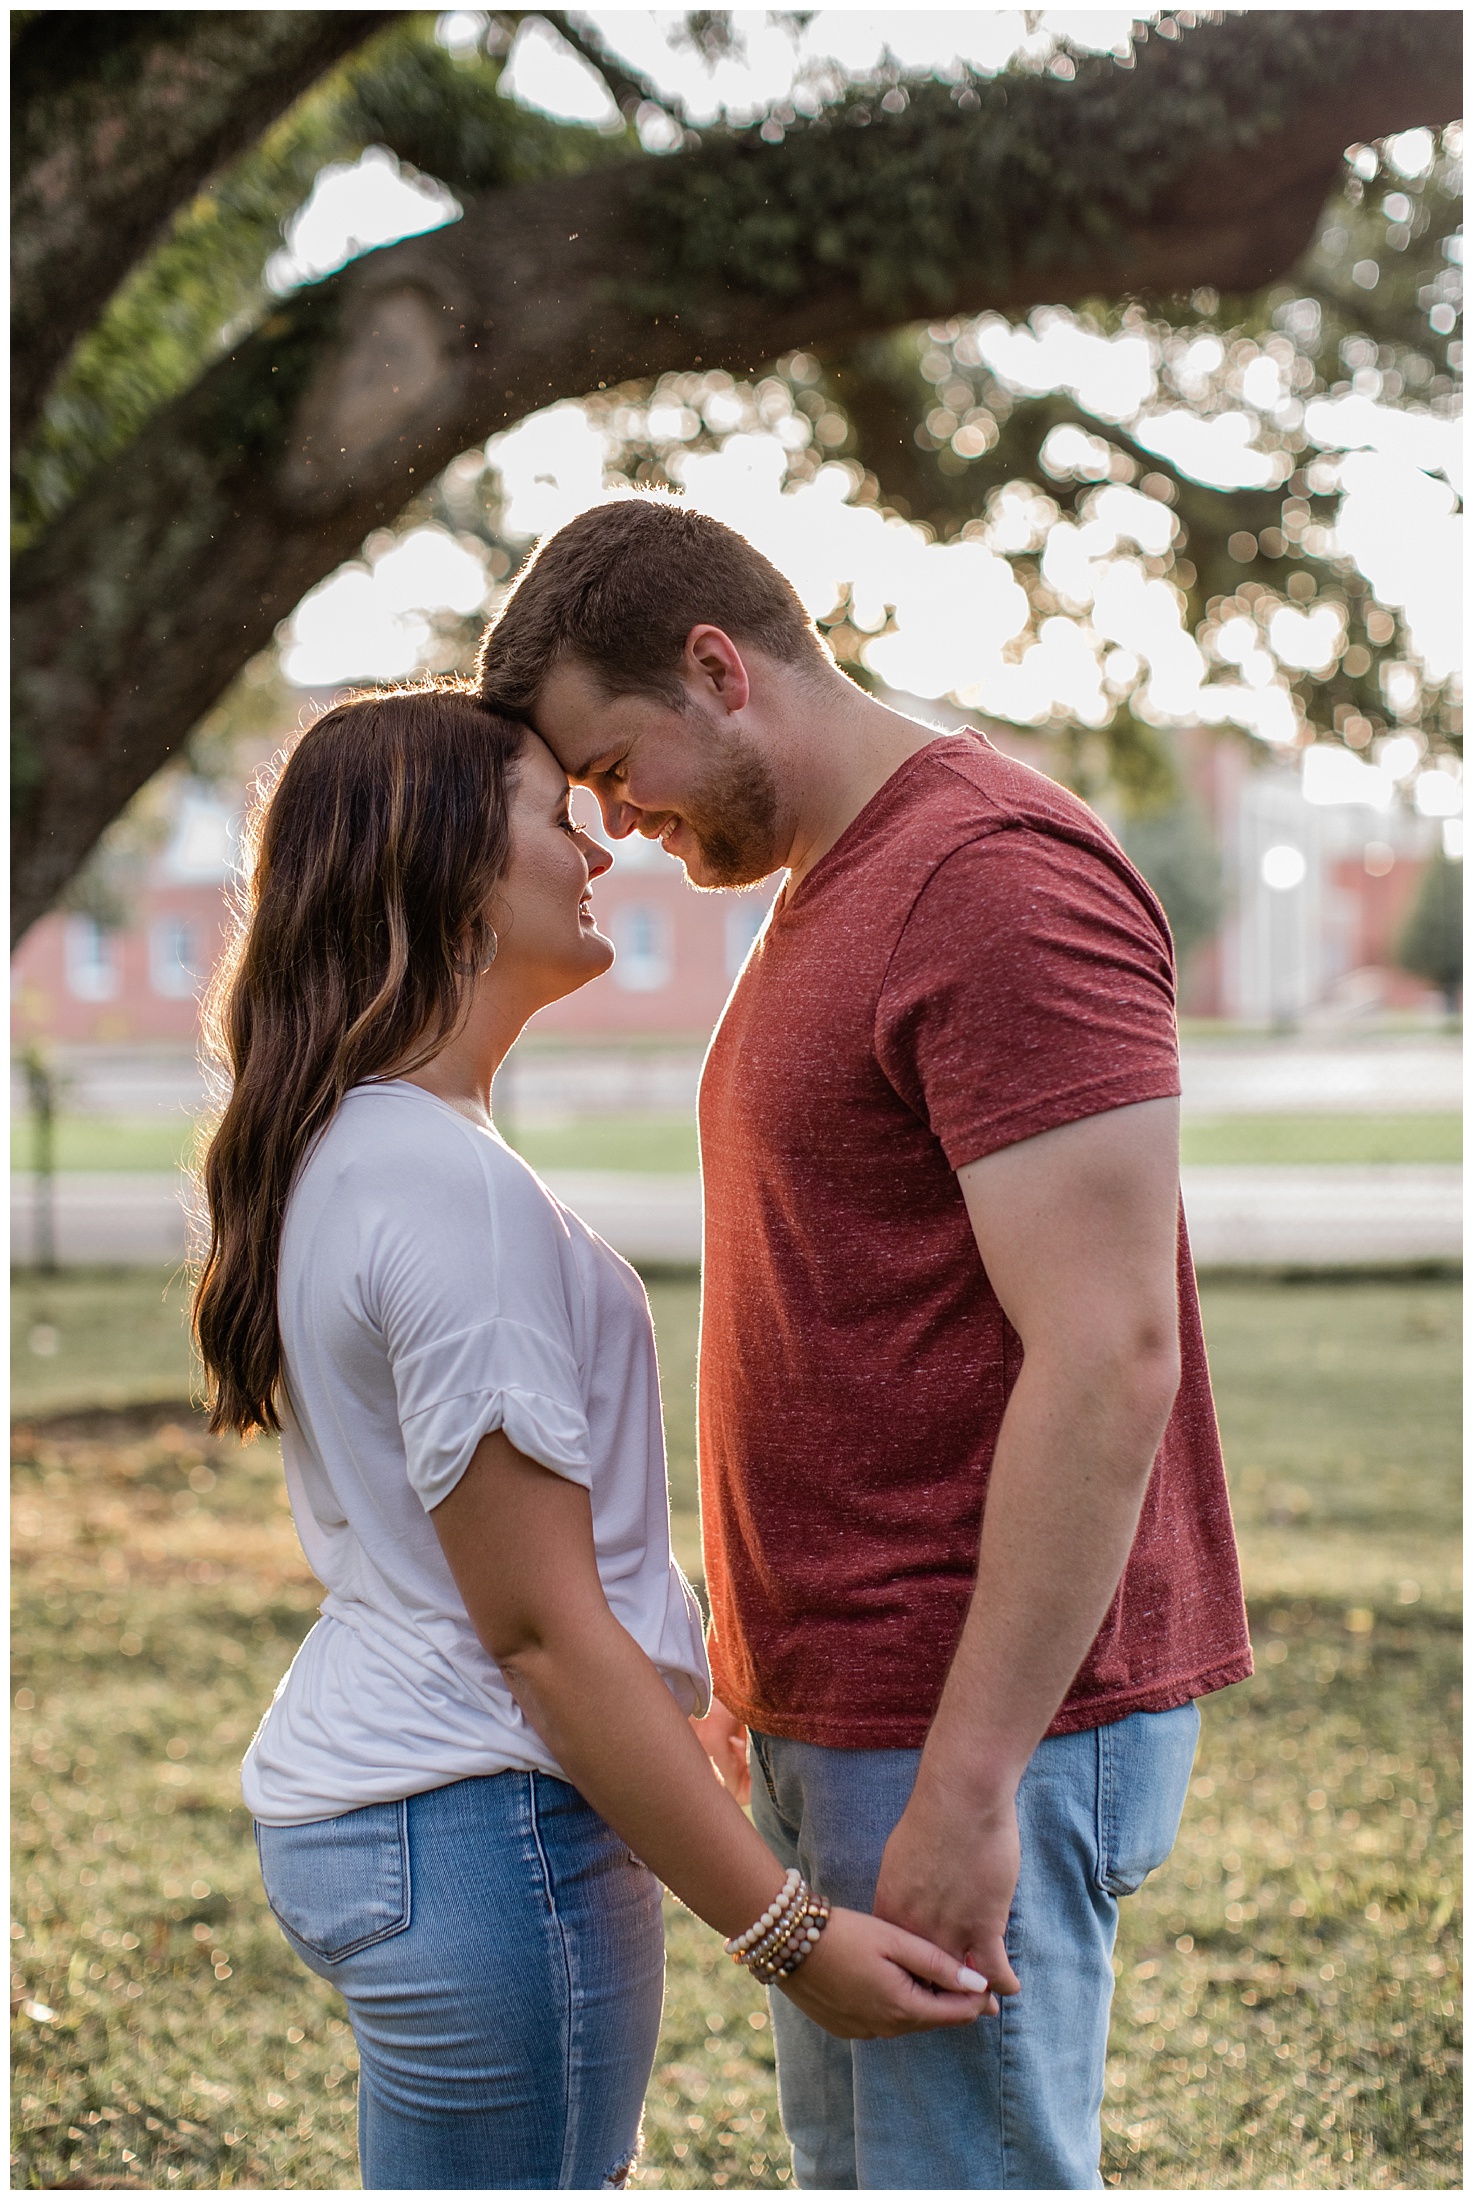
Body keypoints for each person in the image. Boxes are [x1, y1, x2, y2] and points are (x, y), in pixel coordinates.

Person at [477, 497, 1254, 2191]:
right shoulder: (836, 883)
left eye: (615, 766)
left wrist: (968, 1782)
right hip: (862, 1707)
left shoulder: (988, 880)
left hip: (977, 1723)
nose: (614, 824)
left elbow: (1112, 1350)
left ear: (716, 668)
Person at [192, 684, 986, 2194]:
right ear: (444, 872)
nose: (601, 846)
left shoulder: (363, 1148)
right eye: (557, 816)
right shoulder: (440, 1186)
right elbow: (539, 1632)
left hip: (411, 1814)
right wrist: (783, 1930)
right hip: (481, 1830)